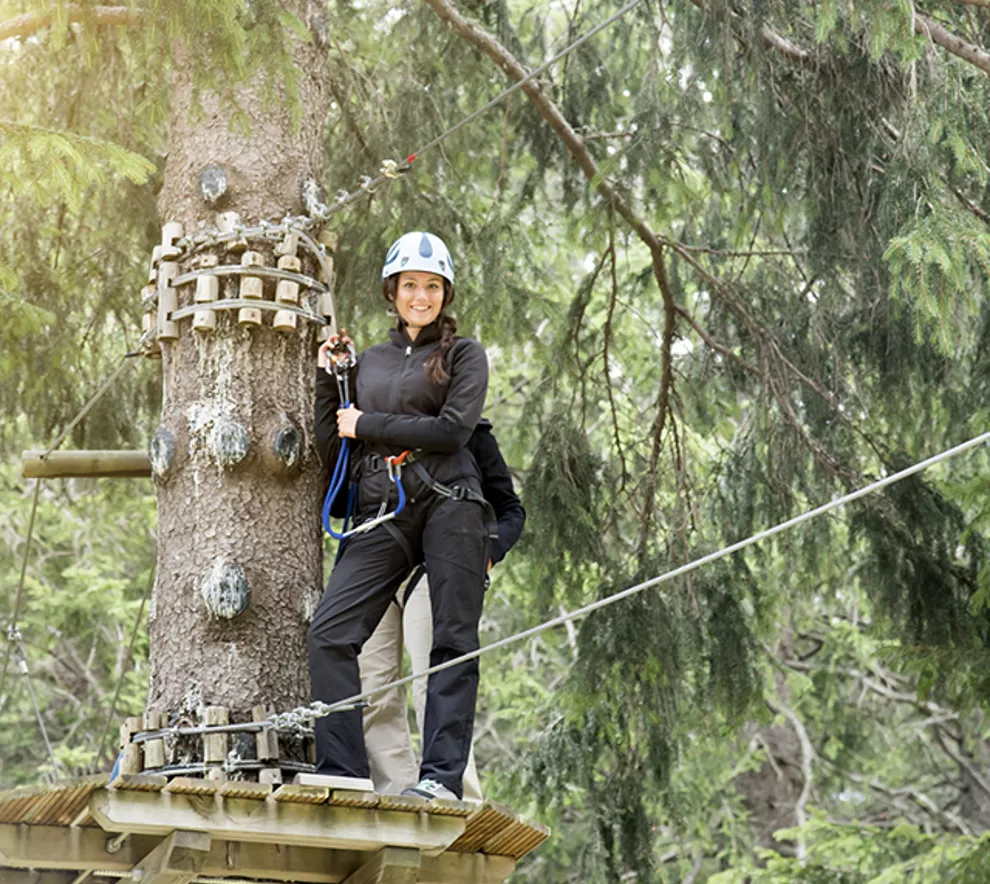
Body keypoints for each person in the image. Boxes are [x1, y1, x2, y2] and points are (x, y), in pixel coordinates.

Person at [309, 231, 492, 801]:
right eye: (411, 285)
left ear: (445, 293)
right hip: (384, 508)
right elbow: (334, 446)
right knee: (330, 633)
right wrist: (328, 381)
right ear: (393, 291)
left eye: (432, 286)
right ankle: (343, 772)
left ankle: (440, 780)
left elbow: (451, 430)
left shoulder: (464, 355)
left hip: (450, 504)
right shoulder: (370, 362)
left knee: (450, 642)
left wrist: (368, 424)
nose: (421, 296)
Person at [360, 419, 524, 800]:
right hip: (377, 568)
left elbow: (510, 509)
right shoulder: (371, 429)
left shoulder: (469, 432)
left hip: (438, 570)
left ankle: (458, 795)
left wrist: (485, 554)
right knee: (373, 687)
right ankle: (394, 794)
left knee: (435, 679)